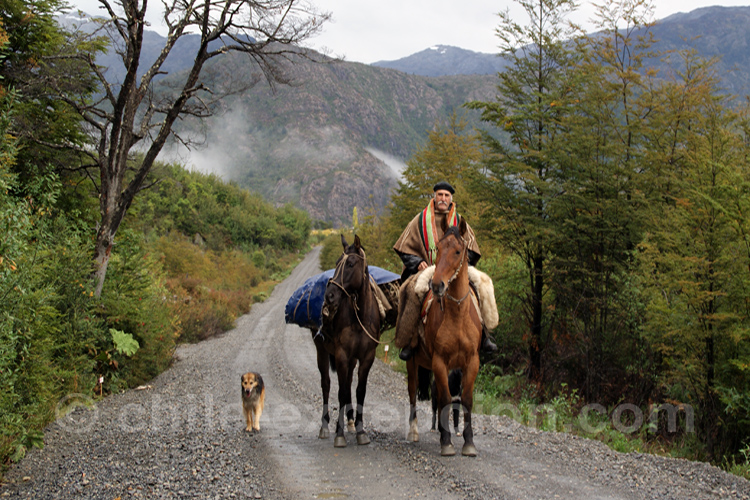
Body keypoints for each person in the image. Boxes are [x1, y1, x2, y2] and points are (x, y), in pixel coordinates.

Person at [393, 181, 497, 360]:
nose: (443, 198)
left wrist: (459, 264)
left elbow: (472, 249)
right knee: (411, 290)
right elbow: (404, 247)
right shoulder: (419, 220)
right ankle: (410, 340)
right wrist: (417, 262)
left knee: (482, 285)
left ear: (451, 199)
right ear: (434, 196)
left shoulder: (460, 221)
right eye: (440, 194)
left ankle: (485, 335)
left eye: (446, 195)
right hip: (427, 267)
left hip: (455, 269)